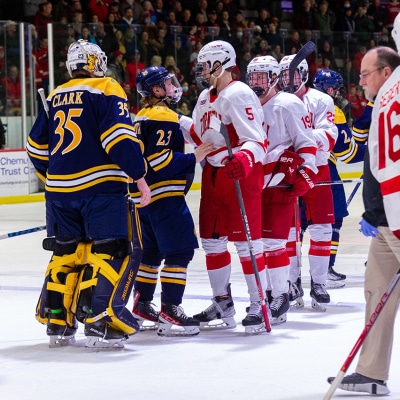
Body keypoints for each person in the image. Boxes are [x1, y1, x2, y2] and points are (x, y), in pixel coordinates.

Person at [26, 39, 151, 349]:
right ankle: (101, 322)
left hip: (58, 193)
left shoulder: (55, 95)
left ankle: (57, 321)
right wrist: (138, 175)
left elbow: (35, 145)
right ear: (96, 62)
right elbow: (117, 137)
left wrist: (55, 174)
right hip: (100, 189)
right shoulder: (107, 87)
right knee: (110, 250)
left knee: (66, 253)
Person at [327, 36, 400, 396]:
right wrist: (373, 210)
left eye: (366, 74)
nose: (362, 81)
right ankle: (372, 373)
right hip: (383, 221)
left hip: (398, 220)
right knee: (376, 292)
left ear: (386, 73)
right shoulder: (378, 108)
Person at [179, 40, 268, 334]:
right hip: (214, 176)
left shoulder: (239, 93)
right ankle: (222, 302)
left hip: (239, 173)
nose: (202, 70)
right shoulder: (205, 96)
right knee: (212, 241)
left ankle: (259, 303)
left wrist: (244, 158)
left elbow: (257, 139)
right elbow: (197, 132)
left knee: (247, 243)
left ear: (221, 63)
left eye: (205, 65)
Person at [130, 66, 213, 336]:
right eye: (166, 83)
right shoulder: (163, 115)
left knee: (151, 254)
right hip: (165, 196)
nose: (172, 86)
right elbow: (160, 160)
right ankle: (170, 309)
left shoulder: (141, 116)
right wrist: (194, 157)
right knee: (180, 251)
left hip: (144, 199)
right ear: (155, 90)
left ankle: (142, 304)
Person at [246, 55, 318, 324]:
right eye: (252, 77)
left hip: (280, 181)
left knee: (274, 242)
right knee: (255, 244)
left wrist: (306, 173)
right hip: (254, 181)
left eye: (261, 77)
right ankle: (265, 295)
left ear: (275, 77)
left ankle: (281, 295)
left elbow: (306, 141)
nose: (255, 82)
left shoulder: (287, 103)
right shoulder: (249, 104)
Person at [279, 54, 338, 310]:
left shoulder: (321, 99)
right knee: (289, 231)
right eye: (283, 75)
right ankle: (292, 283)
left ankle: (319, 283)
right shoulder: (277, 101)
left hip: (317, 168)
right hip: (287, 170)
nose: (287, 80)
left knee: (323, 229)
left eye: (292, 74)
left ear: (303, 74)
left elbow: (329, 135)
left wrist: (299, 137)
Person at [312, 69, 366, 286]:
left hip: (298, 171)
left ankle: (290, 275)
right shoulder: (333, 111)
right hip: (325, 171)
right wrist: (372, 149)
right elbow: (347, 153)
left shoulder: (300, 104)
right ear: (331, 89)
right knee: (333, 219)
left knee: (300, 223)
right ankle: (325, 268)